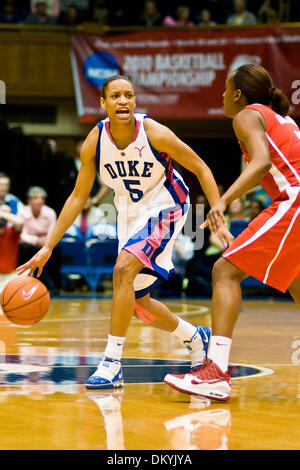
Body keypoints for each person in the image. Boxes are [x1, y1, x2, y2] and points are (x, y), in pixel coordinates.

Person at [17, 74, 232, 389]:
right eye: (116, 96)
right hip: (130, 215)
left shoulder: (153, 132)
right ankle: (195, 337)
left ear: (134, 101)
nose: (123, 101)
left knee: (122, 271)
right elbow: (78, 197)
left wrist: (217, 210)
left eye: (128, 95)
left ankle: (111, 362)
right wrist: (48, 246)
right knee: (137, 303)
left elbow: (201, 166)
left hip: (166, 205)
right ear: (103, 103)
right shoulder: (95, 141)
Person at [164, 64, 300, 401]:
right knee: (297, 282)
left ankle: (215, 371)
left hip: (294, 199)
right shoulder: (280, 118)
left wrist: (222, 201)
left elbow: (262, 162)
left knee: (224, 271)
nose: (222, 96)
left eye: (225, 90)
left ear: (238, 94)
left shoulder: (247, 115)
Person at [18, 186, 61, 294]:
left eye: (42, 198)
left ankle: (55, 284)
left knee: (57, 249)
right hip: (31, 244)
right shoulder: (23, 212)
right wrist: (36, 240)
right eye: (36, 198)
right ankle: (25, 283)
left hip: (45, 243)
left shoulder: (50, 212)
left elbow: (53, 232)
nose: (40, 201)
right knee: (24, 248)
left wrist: (46, 242)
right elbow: (22, 235)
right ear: (29, 201)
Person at [0, 204, 23, 294]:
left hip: (9, 276)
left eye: (8, 213)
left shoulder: (12, 231)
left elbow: (20, 222)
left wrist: (2, 213)